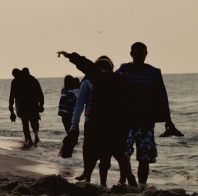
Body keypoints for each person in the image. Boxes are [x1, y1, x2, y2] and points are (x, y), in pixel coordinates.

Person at [58, 51, 138, 187]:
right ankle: (129, 176)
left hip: (99, 120)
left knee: (91, 149)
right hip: (119, 121)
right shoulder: (120, 78)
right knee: (118, 151)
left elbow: (85, 64)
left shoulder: (96, 77)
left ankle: (89, 176)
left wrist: (70, 56)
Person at [117, 42, 181, 186]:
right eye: (136, 54)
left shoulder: (153, 73)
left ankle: (142, 185)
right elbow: (110, 85)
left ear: (146, 54)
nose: (139, 57)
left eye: (142, 54)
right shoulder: (124, 69)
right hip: (126, 121)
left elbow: (162, 96)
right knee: (123, 153)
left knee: (144, 157)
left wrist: (168, 120)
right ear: (131, 54)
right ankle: (124, 180)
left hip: (146, 122)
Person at [8, 68, 44, 146]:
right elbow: (41, 94)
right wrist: (12, 111)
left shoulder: (29, 80)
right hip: (27, 105)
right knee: (31, 121)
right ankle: (32, 137)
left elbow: (11, 97)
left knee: (29, 122)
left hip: (27, 105)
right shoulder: (30, 80)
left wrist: (41, 105)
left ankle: (32, 138)